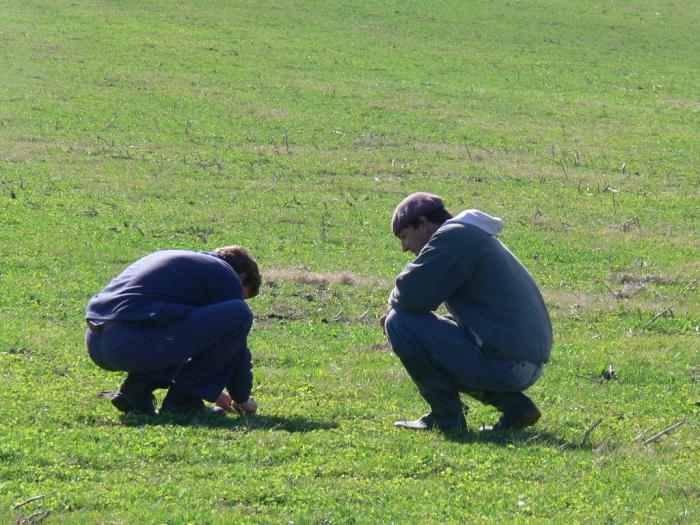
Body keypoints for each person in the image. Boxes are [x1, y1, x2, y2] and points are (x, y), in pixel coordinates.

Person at [380, 192, 552, 432]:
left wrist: (390, 309)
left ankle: (445, 417)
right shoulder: (470, 235)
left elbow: (410, 295)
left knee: (399, 323)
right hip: (523, 362)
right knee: (438, 331)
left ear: (422, 223)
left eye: (404, 236)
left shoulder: (454, 237)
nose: (404, 247)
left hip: (508, 364)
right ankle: (515, 406)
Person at [85, 246, 261, 417]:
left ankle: (137, 390)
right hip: (132, 341)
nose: (238, 297)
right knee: (239, 314)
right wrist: (242, 397)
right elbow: (235, 342)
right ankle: (184, 402)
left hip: (98, 342)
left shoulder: (183, 264)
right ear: (241, 277)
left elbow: (188, 328)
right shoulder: (226, 276)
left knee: (180, 318)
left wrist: (214, 392)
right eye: (243, 294)